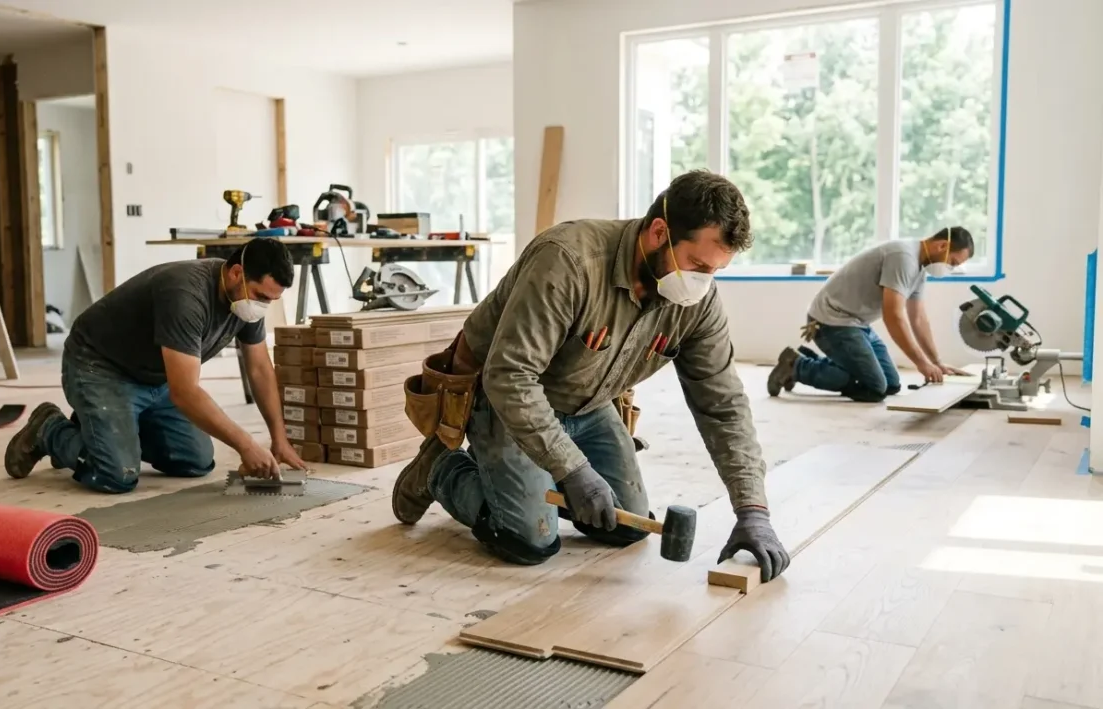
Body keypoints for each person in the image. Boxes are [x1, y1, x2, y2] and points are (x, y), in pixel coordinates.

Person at [391, 170, 791, 583]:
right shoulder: (568, 260)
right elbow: (510, 376)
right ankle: (443, 468)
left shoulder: (697, 302)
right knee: (528, 539)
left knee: (624, 525)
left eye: (713, 271)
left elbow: (722, 405)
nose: (701, 283)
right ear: (659, 232)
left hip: (588, 405)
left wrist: (753, 512)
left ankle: (513, 473)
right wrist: (572, 469)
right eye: (696, 264)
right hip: (505, 400)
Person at [3, 238, 306, 493]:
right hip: (100, 365)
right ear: (237, 273)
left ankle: (102, 428)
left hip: (154, 378)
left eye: (271, 300)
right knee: (116, 475)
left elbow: (260, 369)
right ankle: (50, 429)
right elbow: (185, 392)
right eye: (261, 296)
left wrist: (279, 439)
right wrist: (246, 445)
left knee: (197, 461)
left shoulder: (245, 303)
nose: (262, 306)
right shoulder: (186, 295)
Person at [767, 227, 974, 402]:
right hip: (831, 321)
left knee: (891, 385)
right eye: (952, 262)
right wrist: (922, 363)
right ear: (942, 246)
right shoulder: (903, 258)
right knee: (875, 388)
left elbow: (918, 318)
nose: (949, 268)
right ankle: (796, 366)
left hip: (857, 324)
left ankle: (814, 362)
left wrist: (936, 362)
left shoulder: (919, 269)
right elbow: (894, 316)